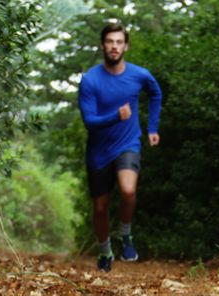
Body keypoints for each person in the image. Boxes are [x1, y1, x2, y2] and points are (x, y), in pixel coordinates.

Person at [77, 22, 162, 272]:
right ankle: (105, 251)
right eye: (110, 42)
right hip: (99, 152)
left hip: (128, 143)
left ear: (126, 45)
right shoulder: (90, 80)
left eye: (119, 42)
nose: (114, 46)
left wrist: (153, 128)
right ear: (103, 45)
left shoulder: (139, 75)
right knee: (100, 208)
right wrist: (116, 115)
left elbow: (155, 94)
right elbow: (89, 121)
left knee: (127, 191)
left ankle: (125, 233)